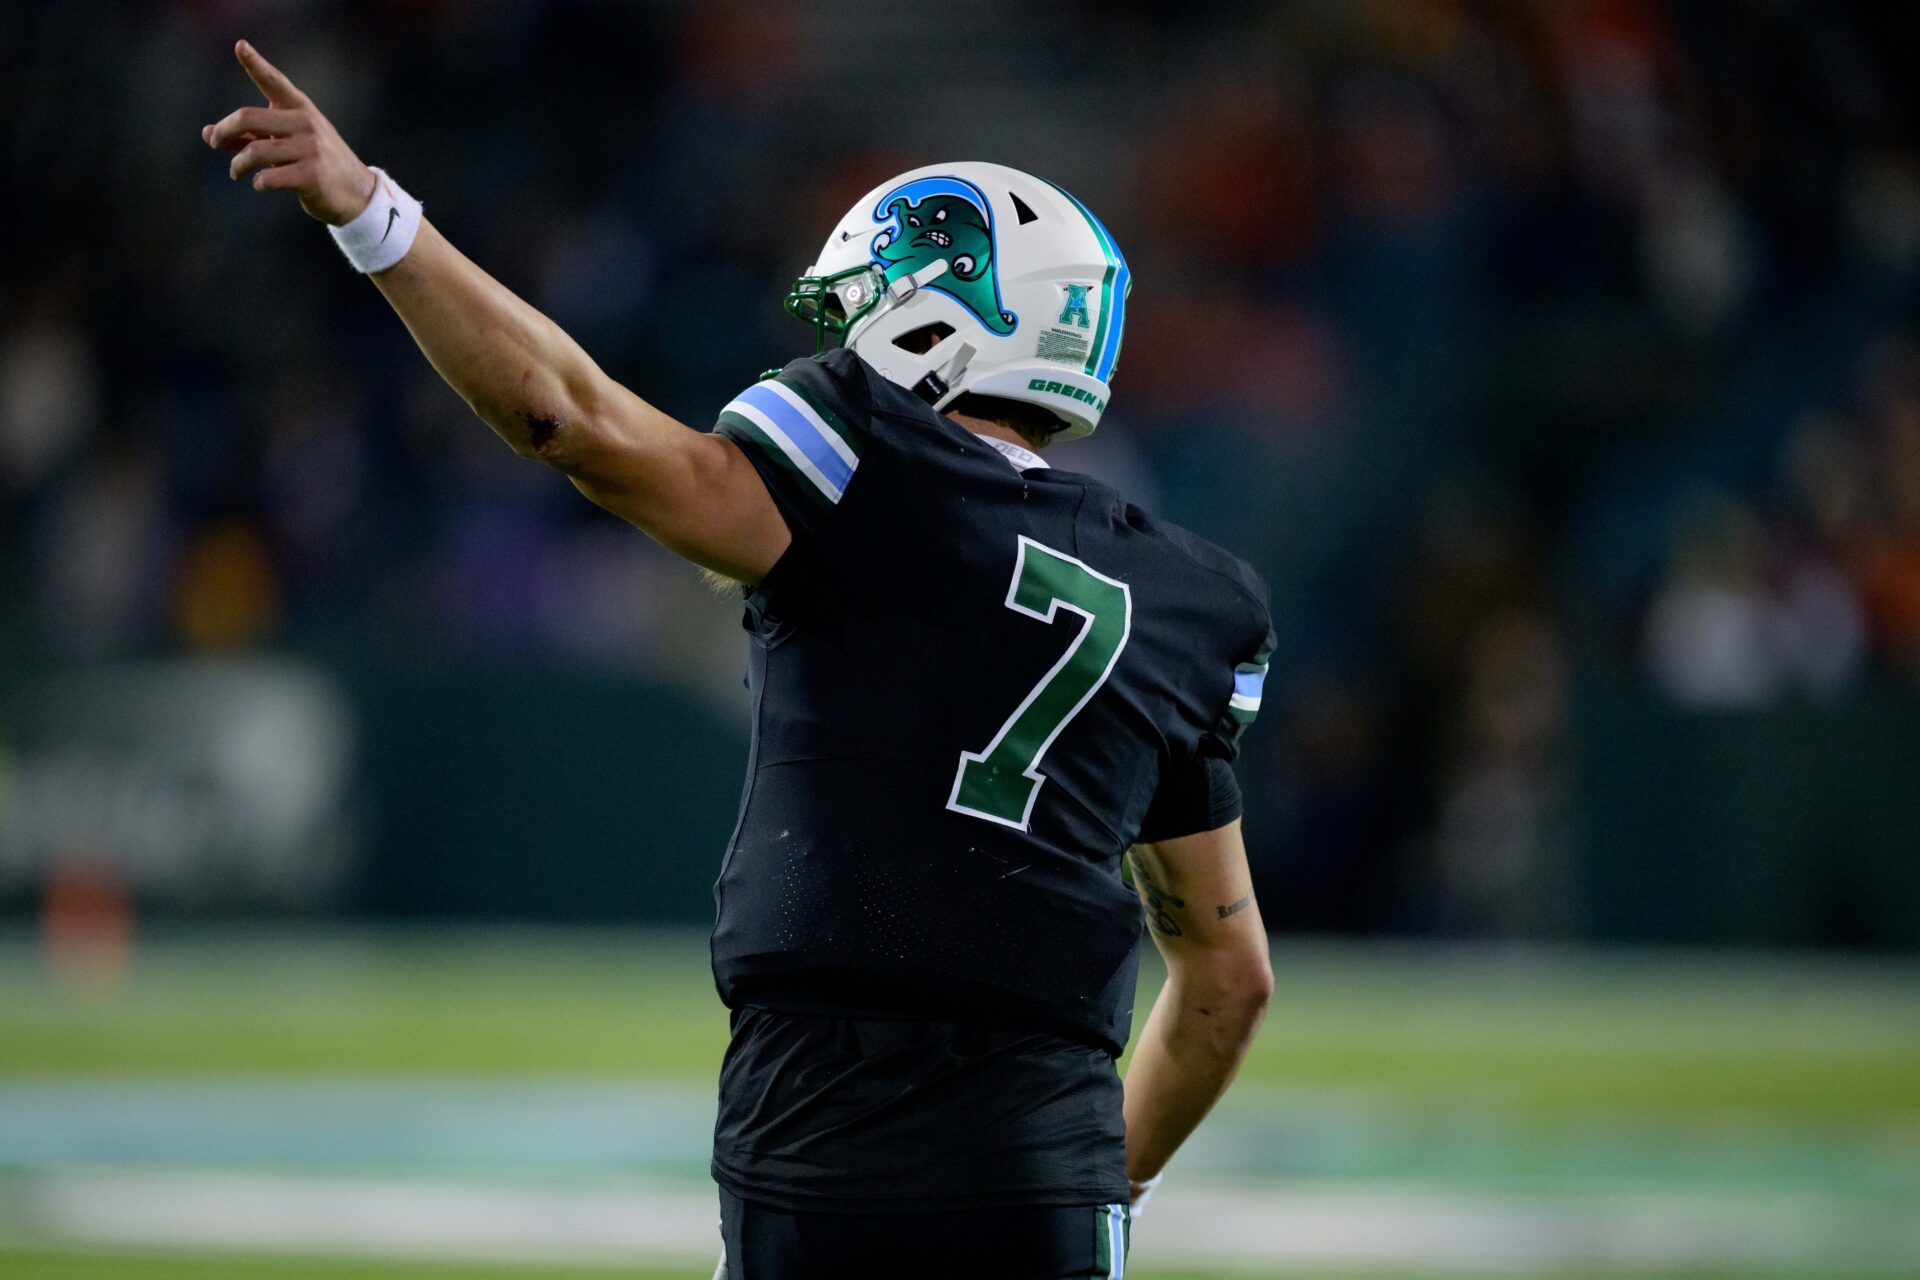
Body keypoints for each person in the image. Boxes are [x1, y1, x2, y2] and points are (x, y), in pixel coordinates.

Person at [204, 39, 1276, 1280]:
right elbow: (1225, 980)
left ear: (957, 305)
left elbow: (573, 418)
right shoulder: (1196, 597)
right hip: (1047, 1162)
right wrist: (1102, 1177)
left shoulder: (859, 449)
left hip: (816, 1135)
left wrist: (375, 216)